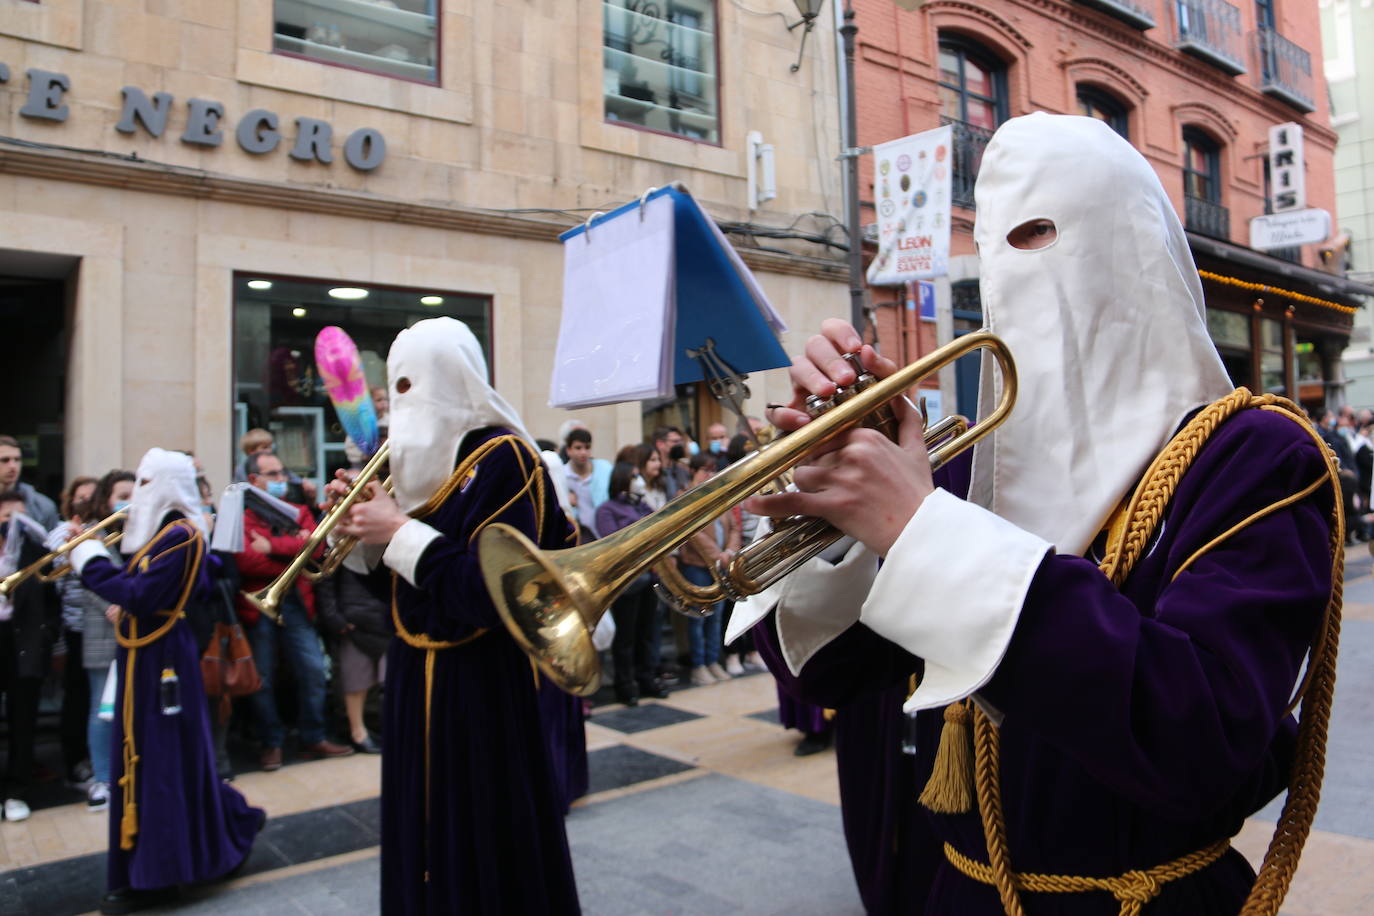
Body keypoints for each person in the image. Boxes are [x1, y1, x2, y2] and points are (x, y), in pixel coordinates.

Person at [743, 113, 1340, 915]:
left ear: (1137, 247)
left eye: (1044, 235)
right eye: (1001, 248)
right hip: (956, 891)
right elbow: (829, 676)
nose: (1022, 274)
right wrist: (840, 493)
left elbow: (1202, 743)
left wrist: (924, 533)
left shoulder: (1256, 455)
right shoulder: (960, 467)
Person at [331, 316, 580, 914]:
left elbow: (492, 590)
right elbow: (404, 574)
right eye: (396, 387)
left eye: (413, 385)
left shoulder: (504, 458)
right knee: (423, 823)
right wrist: (362, 532)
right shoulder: (417, 467)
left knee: (480, 831)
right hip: (414, 669)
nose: (402, 403)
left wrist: (396, 530)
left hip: (482, 680)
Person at [66, 448, 264, 913]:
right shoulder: (163, 533)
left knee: (159, 761)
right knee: (148, 761)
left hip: (162, 660)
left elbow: (139, 594)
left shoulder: (181, 535)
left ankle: (160, 872)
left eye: (148, 484)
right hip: (145, 654)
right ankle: (153, 865)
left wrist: (88, 558)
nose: (139, 494)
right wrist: (91, 549)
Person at [233, 450, 353, 771]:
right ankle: (271, 742)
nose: (281, 480)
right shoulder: (242, 516)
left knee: (313, 670)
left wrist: (272, 547)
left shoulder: (299, 510)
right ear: (254, 480)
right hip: (257, 608)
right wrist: (294, 546)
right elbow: (245, 559)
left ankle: (313, 735)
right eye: (273, 475)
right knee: (262, 677)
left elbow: (318, 545)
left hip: (297, 602)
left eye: (282, 473)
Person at [0, 490, 59, 823]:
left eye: (22, 519)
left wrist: (47, 634)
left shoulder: (36, 552)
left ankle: (16, 791)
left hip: (24, 641)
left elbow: (52, 600)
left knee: (24, 721)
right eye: (9, 518)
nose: (15, 526)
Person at [595, 461, 667, 706]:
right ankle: (625, 685)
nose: (639, 480)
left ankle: (645, 678)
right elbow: (614, 542)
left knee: (646, 633)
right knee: (625, 638)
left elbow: (659, 529)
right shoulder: (607, 509)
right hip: (628, 582)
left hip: (650, 578)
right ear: (622, 480)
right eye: (634, 476)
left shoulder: (643, 506)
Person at [677, 452, 739, 687]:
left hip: (720, 565)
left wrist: (730, 552)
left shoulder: (718, 493)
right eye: (705, 469)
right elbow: (693, 533)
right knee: (698, 619)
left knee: (716, 618)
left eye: (713, 470)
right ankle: (699, 665)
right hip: (697, 566)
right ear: (693, 471)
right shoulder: (685, 496)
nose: (710, 474)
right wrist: (718, 554)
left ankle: (713, 661)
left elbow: (733, 526)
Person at [314, 564, 389, 753]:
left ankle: (383, 728)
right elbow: (325, 580)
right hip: (353, 620)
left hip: (383, 616)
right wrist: (334, 618)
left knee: (389, 678)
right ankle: (358, 732)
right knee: (356, 680)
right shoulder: (337, 541)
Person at [55, 475, 100, 791]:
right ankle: (76, 761)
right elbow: (56, 585)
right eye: (79, 497)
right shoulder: (60, 533)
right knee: (78, 696)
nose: (84, 502)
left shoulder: (106, 529)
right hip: (75, 628)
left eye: (90, 497)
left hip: (105, 628)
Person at [0, 435, 59, 530]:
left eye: (17, 460)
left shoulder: (43, 506)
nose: (13, 466)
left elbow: (52, 543)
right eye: (5, 460)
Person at [562, 427, 610, 539]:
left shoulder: (605, 469)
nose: (583, 452)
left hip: (606, 536)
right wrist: (564, 500)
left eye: (587, 447)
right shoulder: (562, 475)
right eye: (578, 448)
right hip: (578, 540)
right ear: (568, 450)